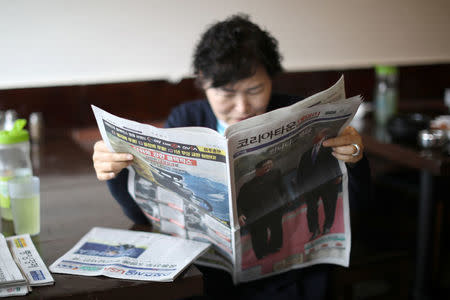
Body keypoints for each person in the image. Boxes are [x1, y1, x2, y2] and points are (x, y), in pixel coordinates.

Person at [92, 14, 370, 300]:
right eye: (226, 93)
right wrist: (116, 173)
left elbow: (353, 205)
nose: (242, 106)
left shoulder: (299, 113)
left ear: (270, 79)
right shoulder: (186, 118)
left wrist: (355, 161)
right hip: (209, 278)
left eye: (255, 90)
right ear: (202, 80)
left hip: (288, 278)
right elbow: (145, 216)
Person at [296, 128, 342, 241]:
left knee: (329, 206)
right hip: (311, 188)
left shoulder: (329, 148)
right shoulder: (305, 155)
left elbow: (336, 162)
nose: (319, 138)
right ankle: (314, 230)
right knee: (311, 209)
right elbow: (300, 173)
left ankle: (327, 226)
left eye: (322, 136)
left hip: (328, 183)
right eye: (317, 136)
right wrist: (301, 189)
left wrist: (338, 175)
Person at [237, 158, 285, 259]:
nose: (269, 167)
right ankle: (261, 253)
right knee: (259, 235)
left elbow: (282, 188)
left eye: (270, 165)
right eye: (266, 166)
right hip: (257, 214)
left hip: (274, 209)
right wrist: (240, 214)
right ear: (257, 169)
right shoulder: (247, 186)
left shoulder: (275, 173)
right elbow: (240, 202)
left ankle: (275, 247)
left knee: (276, 229)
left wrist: (282, 201)